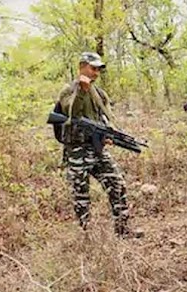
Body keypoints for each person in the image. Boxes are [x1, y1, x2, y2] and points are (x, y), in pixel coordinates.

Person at [56, 52, 143, 239]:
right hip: (77, 151)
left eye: (98, 69)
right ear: (82, 67)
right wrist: (81, 91)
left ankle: (123, 230)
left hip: (97, 149)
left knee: (117, 184)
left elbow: (105, 119)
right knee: (81, 195)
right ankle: (86, 236)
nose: (96, 73)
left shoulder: (100, 94)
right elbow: (72, 114)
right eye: (92, 68)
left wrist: (108, 134)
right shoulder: (68, 91)